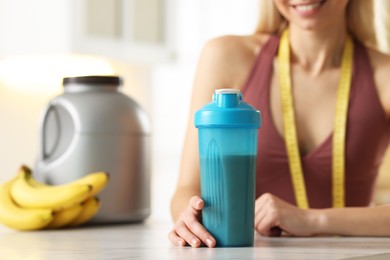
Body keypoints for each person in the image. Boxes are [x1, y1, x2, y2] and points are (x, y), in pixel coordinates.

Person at [168, 0, 390, 248]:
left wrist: (314, 220)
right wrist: (189, 217)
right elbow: (186, 189)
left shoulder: (385, 75)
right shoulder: (225, 56)